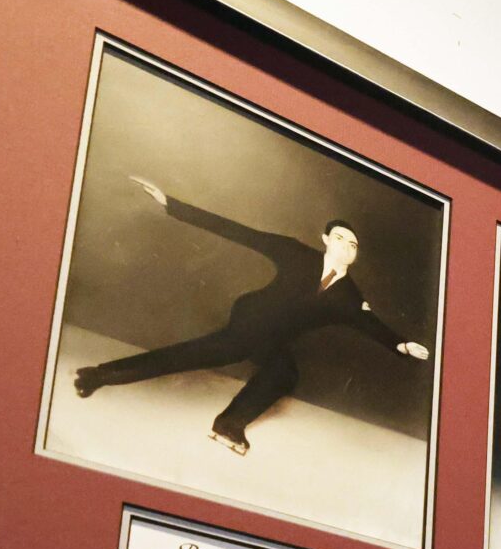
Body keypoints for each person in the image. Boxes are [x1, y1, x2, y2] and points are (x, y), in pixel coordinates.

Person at [71, 176, 431, 451]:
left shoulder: (350, 294)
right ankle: (98, 375)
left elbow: (368, 323)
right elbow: (240, 232)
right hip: (248, 323)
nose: (347, 247)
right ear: (326, 240)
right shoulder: (294, 253)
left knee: (284, 372)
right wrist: (173, 205)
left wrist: (401, 345)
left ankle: (228, 426)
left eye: (353, 245)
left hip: (272, 340)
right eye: (340, 239)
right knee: (189, 355)